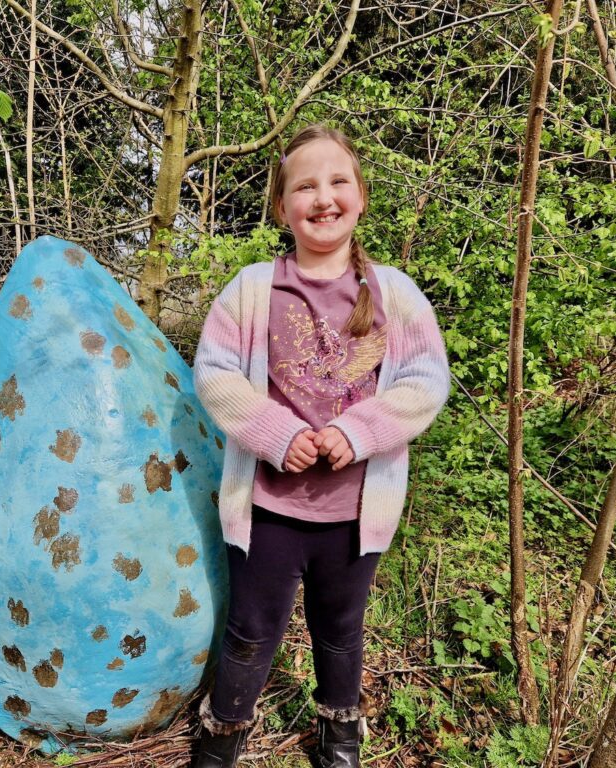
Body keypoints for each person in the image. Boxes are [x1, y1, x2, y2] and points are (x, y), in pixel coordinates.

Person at [191, 124, 450, 768]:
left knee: (340, 631)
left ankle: (340, 737)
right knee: (250, 634)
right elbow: (216, 372)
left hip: (354, 514)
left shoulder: (397, 295)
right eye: (305, 185)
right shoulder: (252, 289)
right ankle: (222, 736)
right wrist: (277, 435)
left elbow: (425, 381)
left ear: (360, 196)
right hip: (268, 510)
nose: (323, 197)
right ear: (282, 208)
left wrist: (356, 433)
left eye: (338, 181)